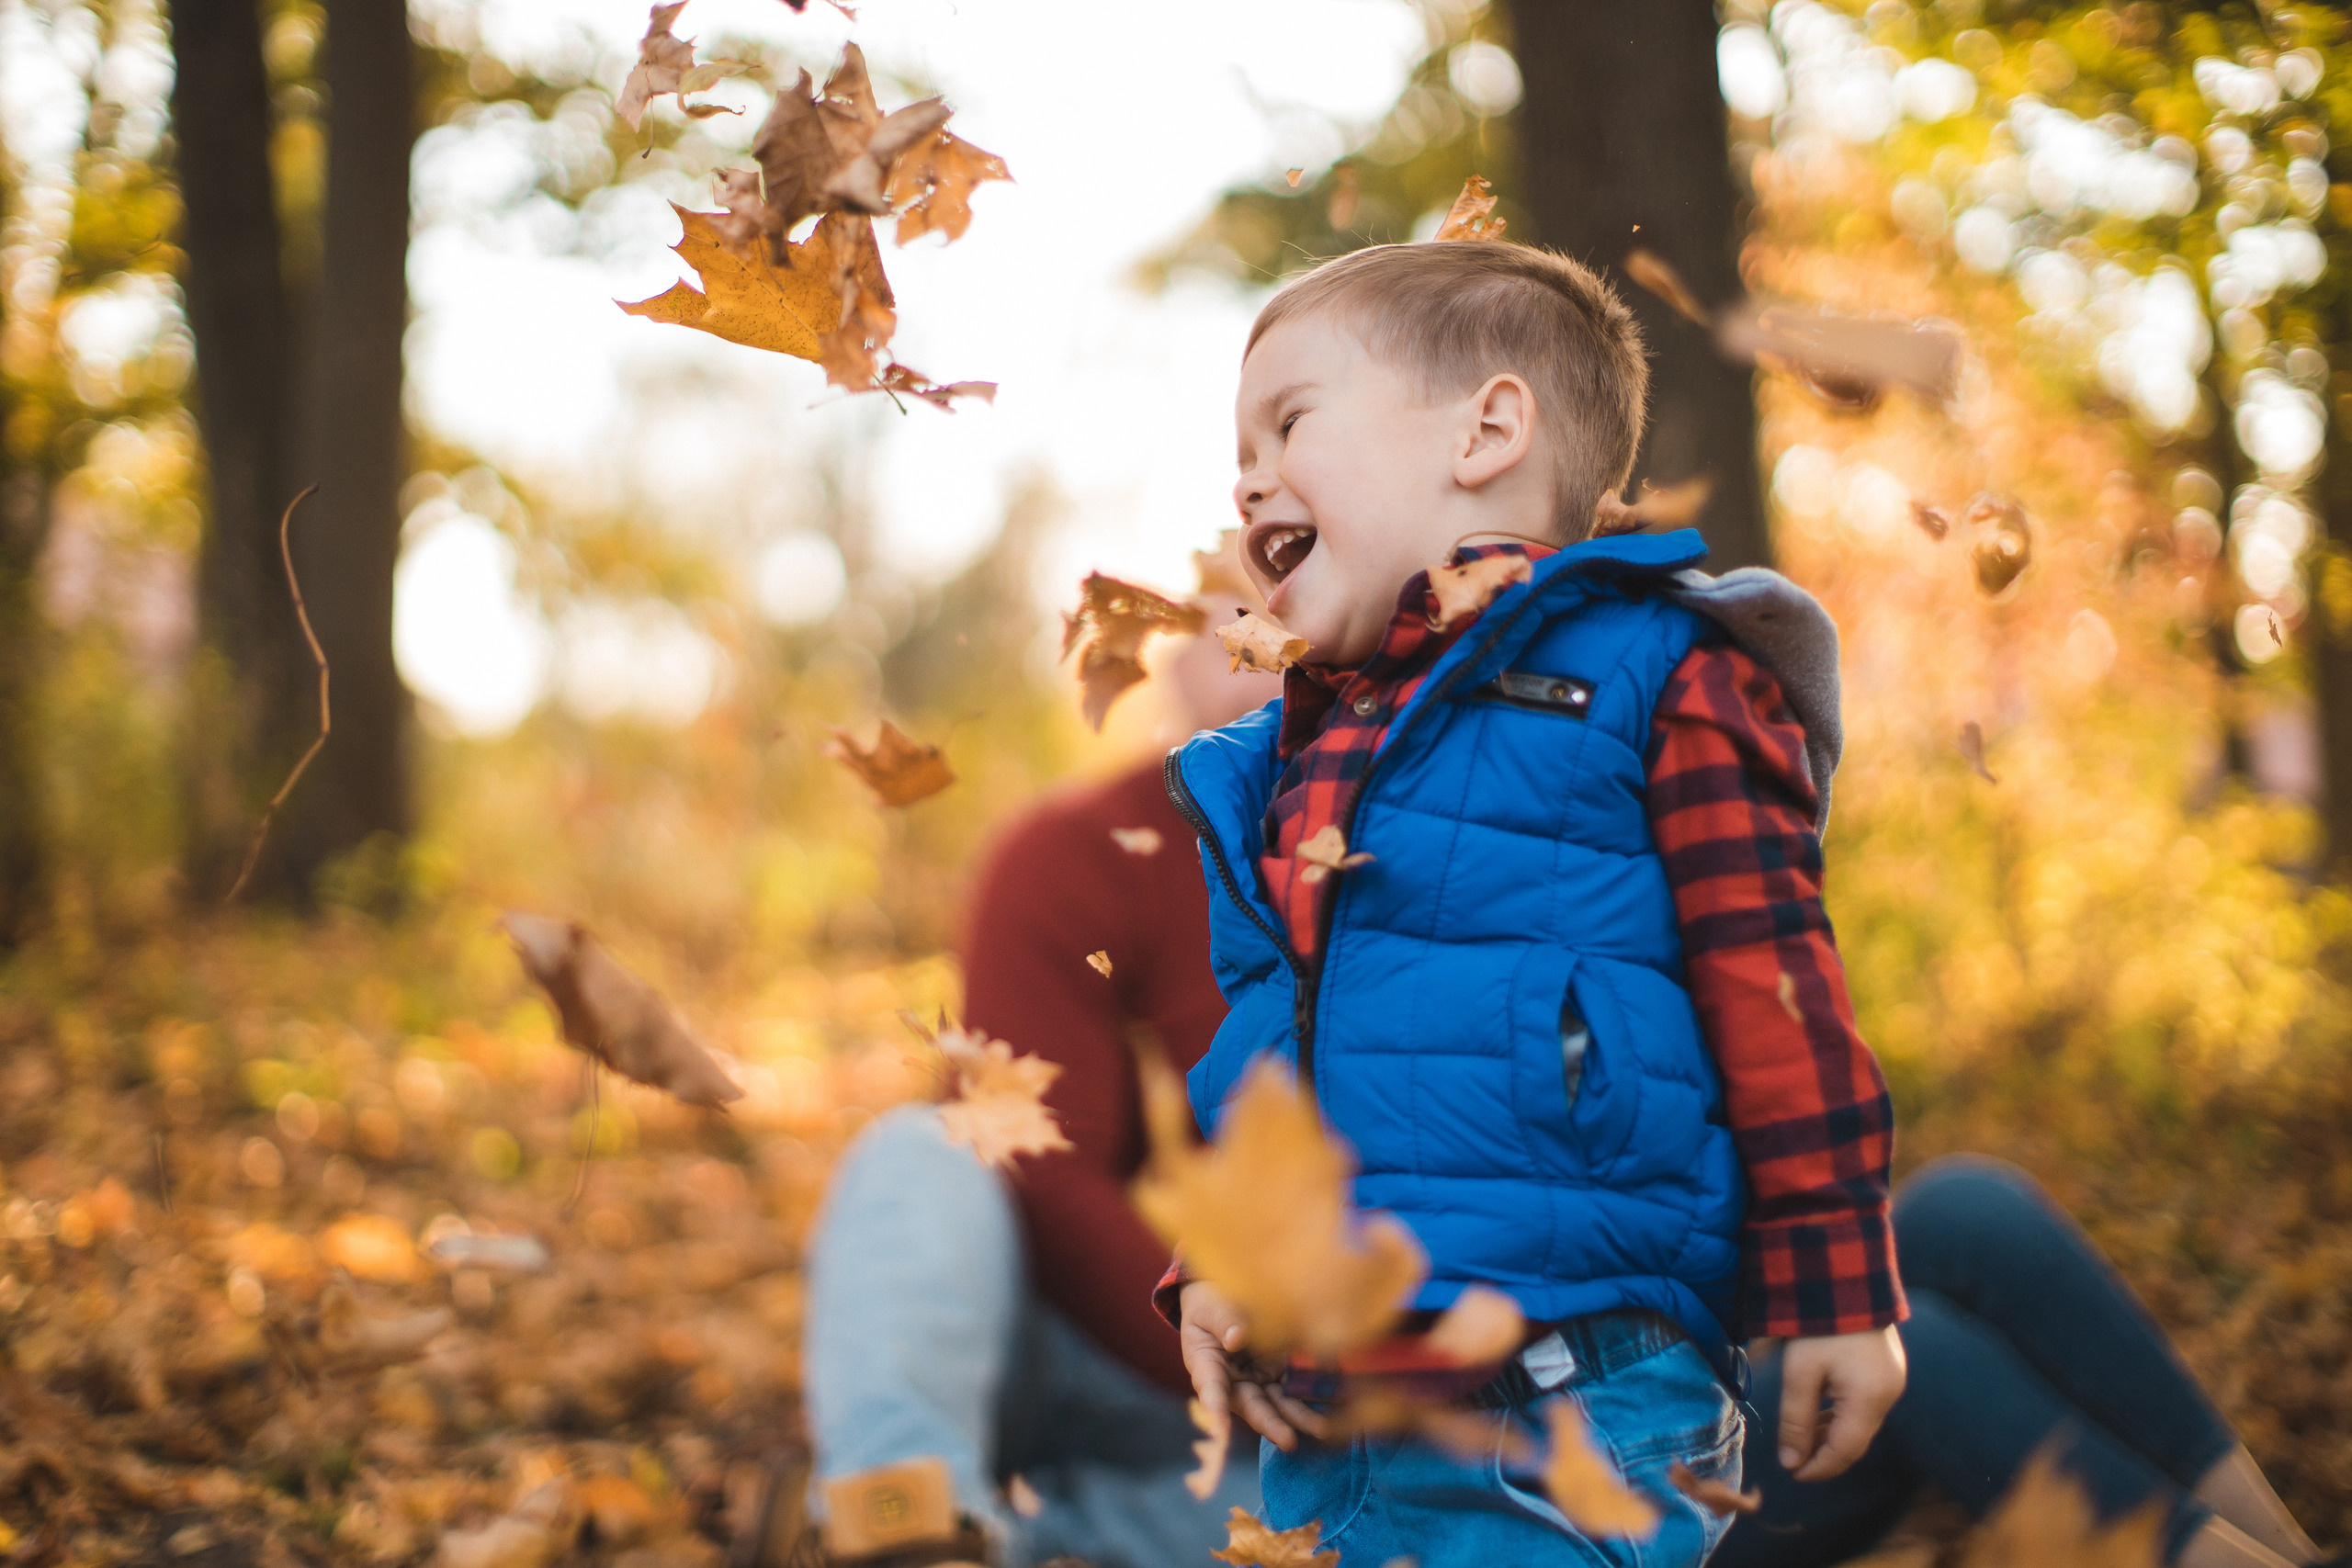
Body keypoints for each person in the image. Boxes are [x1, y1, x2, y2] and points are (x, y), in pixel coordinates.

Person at [1157, 240, 1908, 1568]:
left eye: (1289, 421)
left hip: (1565, 1401)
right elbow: (1269, 1039)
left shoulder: (1658, 671)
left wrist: (1839, 1281)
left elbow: (1777, 988)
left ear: (1487, 430)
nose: (1247, 474)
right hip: (1326, 1424)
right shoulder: (1292, 756)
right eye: (1240, 445)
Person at [795, 620, 1281, 1568]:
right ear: (1175, 664)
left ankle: (1039, 1538)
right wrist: (1219, 1353)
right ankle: (904, 1522)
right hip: (1063, 1337)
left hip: (1288, 1414)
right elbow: (1038, 1163)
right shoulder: (1076, 853)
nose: (1271, 642)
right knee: (921, 1152)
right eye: (1237, 616)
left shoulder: (1436, 864)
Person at [1720, 1155, 2342, 1568]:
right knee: (1911, 1355)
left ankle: (2286, 1553)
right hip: (1640, 1511)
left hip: (1691, 1405)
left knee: (1964, 1212)